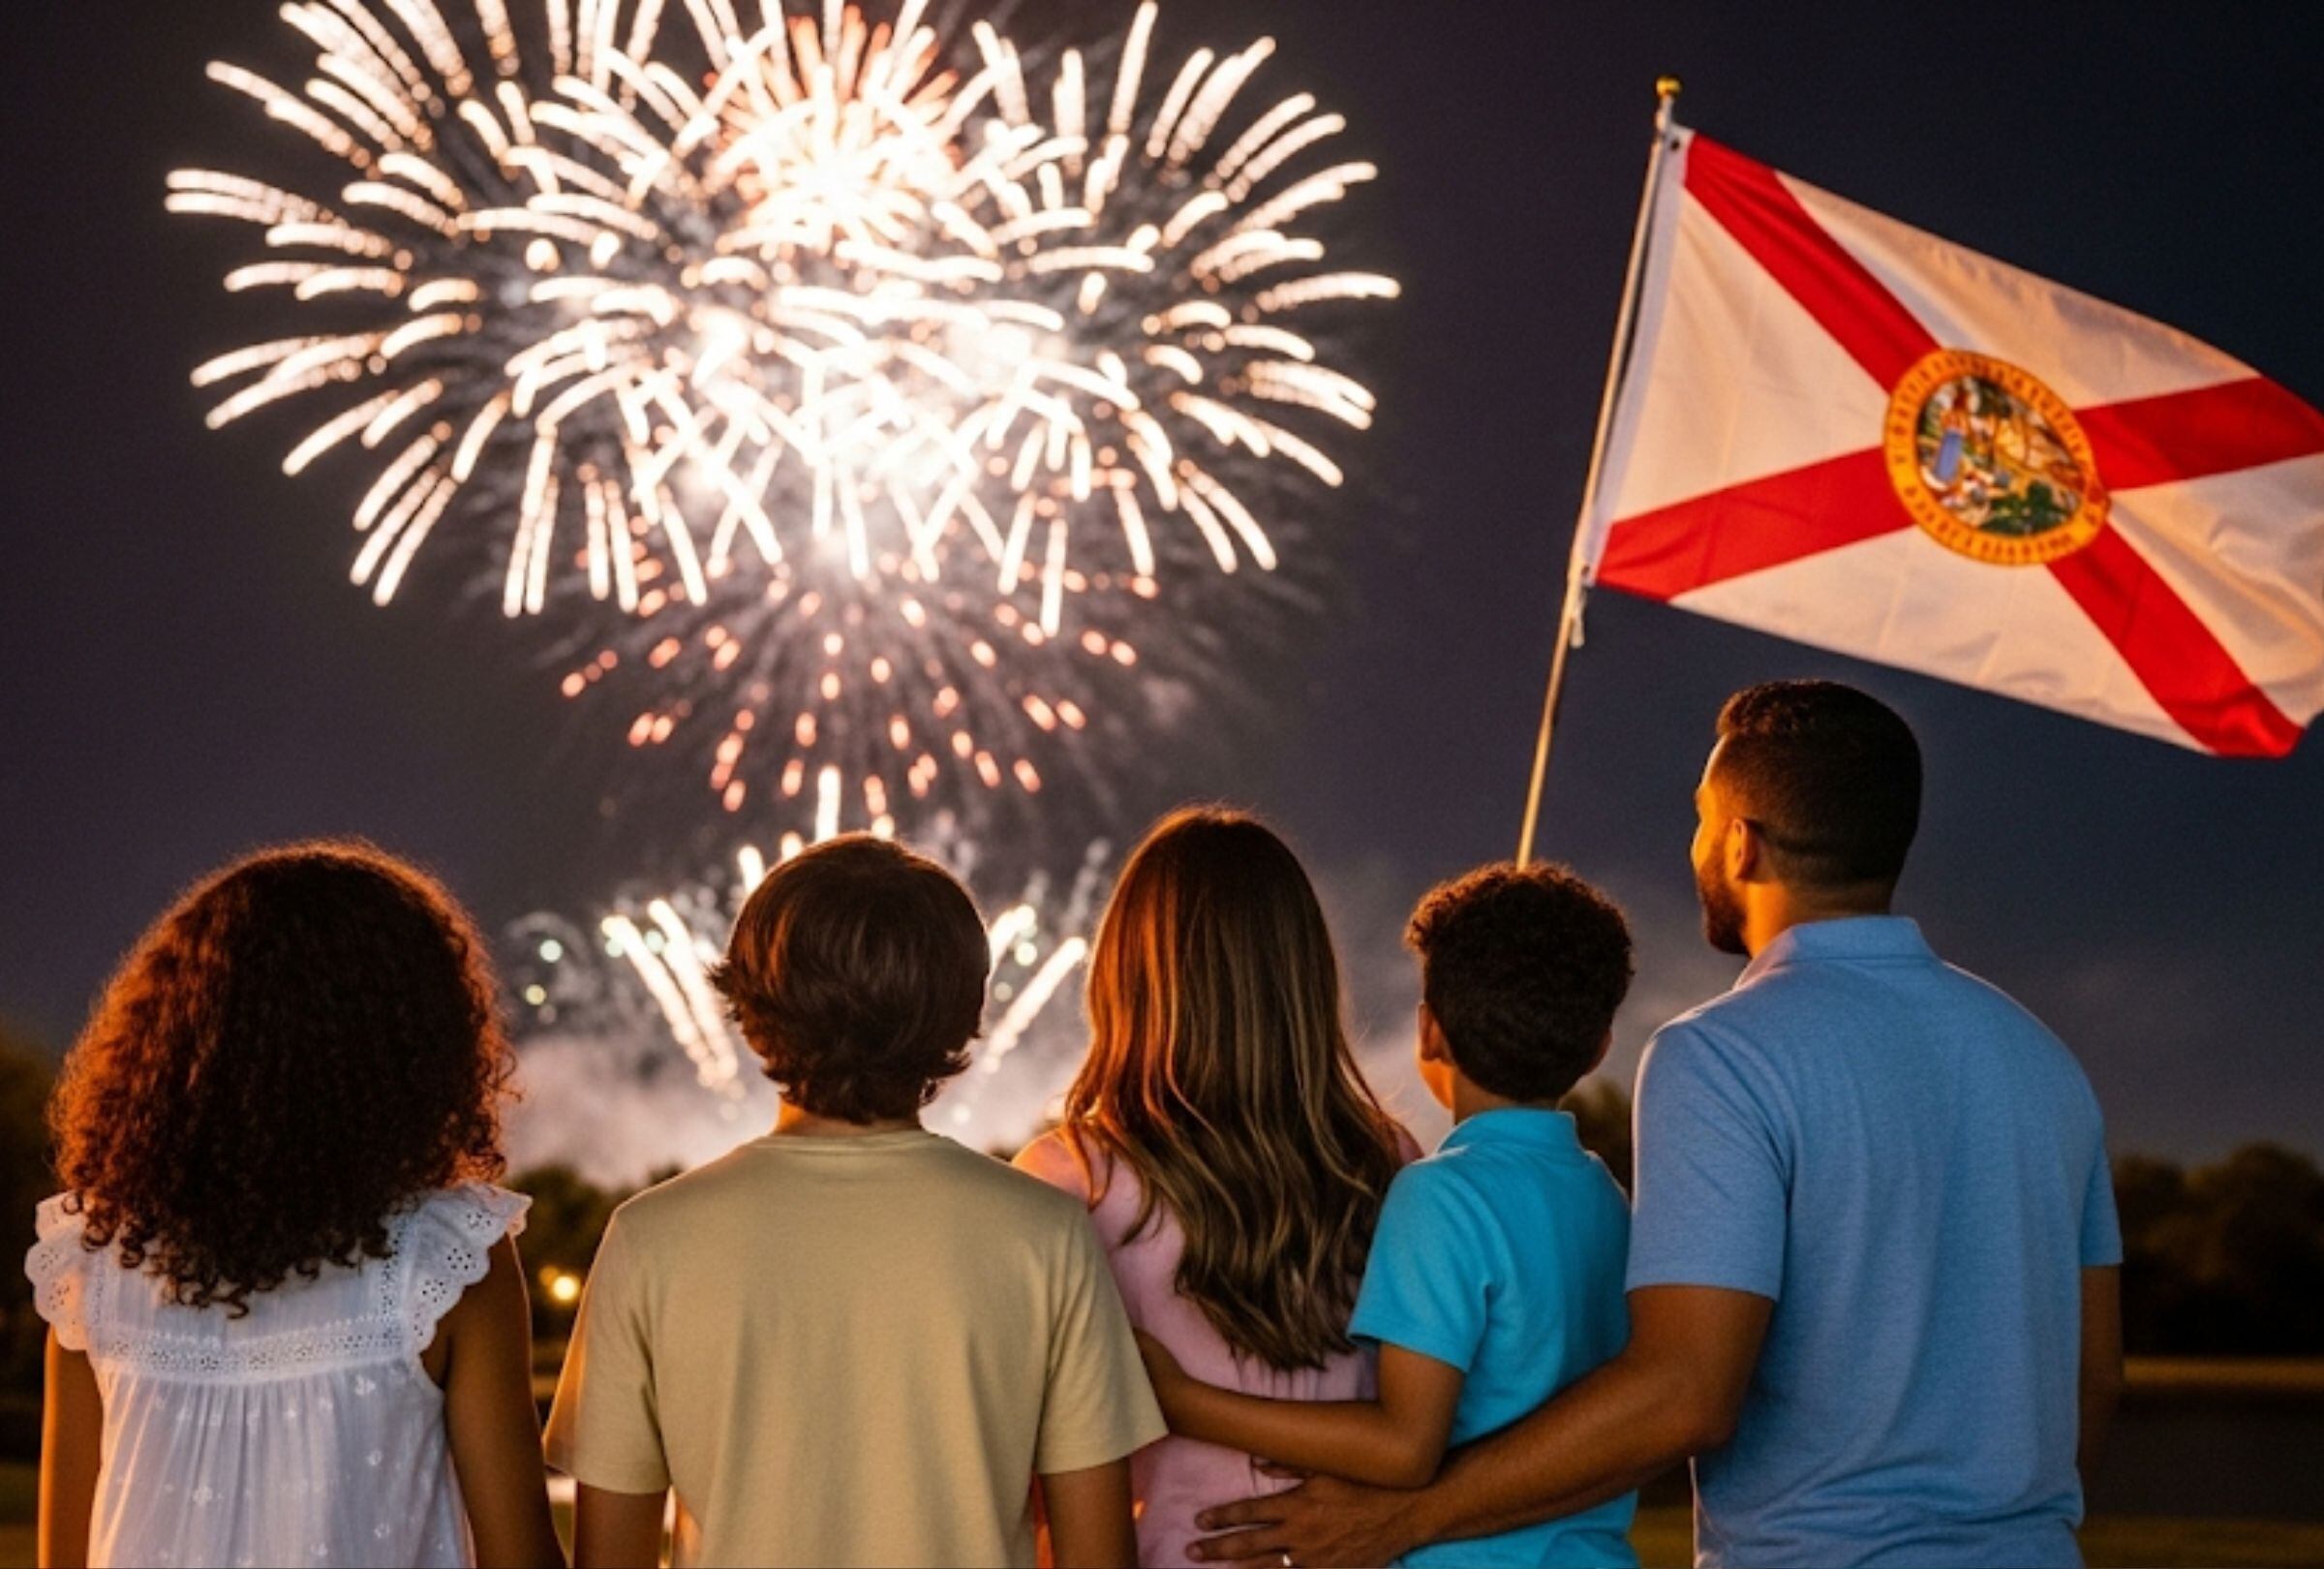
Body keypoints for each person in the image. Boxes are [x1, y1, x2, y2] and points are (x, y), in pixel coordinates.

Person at [1189, 681, 2125, 1569]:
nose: (1696, 845)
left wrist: (1407, 1515)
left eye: (1701, 819)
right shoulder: (2045, 1063)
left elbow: (1686, 1394)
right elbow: (2087, 1393)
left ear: (1742, 846)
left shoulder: (1724, 1056)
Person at [545, 835, 1162, 1569]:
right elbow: (1098, 1555)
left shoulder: (648, 1239)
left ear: (746, 1006)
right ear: (967, 1012)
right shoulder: (1046, 1233)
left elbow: (609, 1557)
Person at [30, 842, 561, 1569]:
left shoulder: (93, 1260)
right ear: (414, 1043)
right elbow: (521, 1559)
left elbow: (63, 1554)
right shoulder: (443, 1258)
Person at [1138, 861, 1640, 1568]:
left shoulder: (1437, 1196)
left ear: (1429, 1032)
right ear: (1599, 1049)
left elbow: (1403, 1446)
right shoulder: (1606, 1197)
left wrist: (1183, 1401)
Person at [1015, 808, 1418, 1566]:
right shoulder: (1388, 1160)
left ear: (1122, 970)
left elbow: (1031, 1469)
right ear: (1302, 972)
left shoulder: (1072, 1180)